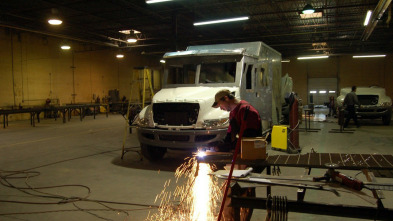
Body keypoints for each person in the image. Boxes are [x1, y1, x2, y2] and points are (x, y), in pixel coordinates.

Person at [212, 89, 262, 221]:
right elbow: (230, 136)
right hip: (239, 153)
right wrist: (219, 145)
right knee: (229, 188)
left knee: (236, 191)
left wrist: (232, 147)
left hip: (249, 155)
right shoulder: (233, 113)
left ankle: (235, 218)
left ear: (226, 99)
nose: (221, 109)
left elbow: (249, 138)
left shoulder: (248, 111)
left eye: (220, 105)